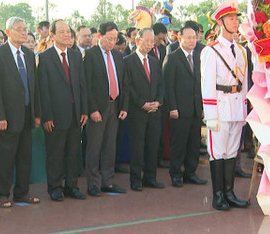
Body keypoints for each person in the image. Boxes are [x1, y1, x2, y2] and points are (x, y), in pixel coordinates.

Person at [0, 17, 41, 208]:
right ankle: (1, 194)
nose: (24, 32)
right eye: (20, 29)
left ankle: (22, 192)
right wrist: (0, 116)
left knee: (25, 157)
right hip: (6, 117)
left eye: (26, 29)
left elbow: (34, 87)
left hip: (26, 114)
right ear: (8, 32)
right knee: (4, 158)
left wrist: (36, 113)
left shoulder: (28, 53)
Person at [201, 0, 249, 210]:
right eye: (230, 18)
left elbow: (244, 83)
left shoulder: (241, 50)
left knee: (231, 151)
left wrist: (244, 110)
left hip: (236, 106)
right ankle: (218, 195)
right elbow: (208, 84)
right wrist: (210, 115)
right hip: (220, 107)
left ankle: (229, 193)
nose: (235, 22)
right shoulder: (211, 51)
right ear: (220, 22)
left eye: (236, 18)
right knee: (217, 152)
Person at [38, 20, 88, 201]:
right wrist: (47, 116)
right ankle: (55, 188)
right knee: (55, 154)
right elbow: (43, 90)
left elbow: (82, 85)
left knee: (73, 152)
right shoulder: (44, 57)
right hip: (55, 115)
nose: (67, 35)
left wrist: (84, 110)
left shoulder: (75, 56)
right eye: (63, 32)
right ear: (52, 35)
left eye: (69, 32)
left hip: (76, 114)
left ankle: (72, 186)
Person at [83, 22, 129, 195]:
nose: (111, 42)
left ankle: (108, 182)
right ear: (99, 36)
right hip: (98, 108)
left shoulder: (117, 56)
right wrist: (92, 109)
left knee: (110, 146)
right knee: (94, 147)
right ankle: (93, 184)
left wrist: (124, 106)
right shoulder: (90, 55)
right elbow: (86, 85)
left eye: (114, 39)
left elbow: (124, 82)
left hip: (115, 106)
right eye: (108, 38)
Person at [163, 23, 207, 187]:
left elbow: (202, 83)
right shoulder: (173, 58)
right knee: (178, 143)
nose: (191, 40)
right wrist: (172, 107)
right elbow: (168, 85)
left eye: (194, 37)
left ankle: (190, 172)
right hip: (179, 109)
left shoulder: (199, 57)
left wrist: (202, 106)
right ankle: (175, 174)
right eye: (188, 37)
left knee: (194, 143)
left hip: (195, 108)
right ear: (180, 38)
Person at [123, 28, 165, 191]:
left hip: (154, 111)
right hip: (137, 111)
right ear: (138, 40)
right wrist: (142, 104)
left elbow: (161, 85)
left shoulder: (154, 62)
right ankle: (136, 179)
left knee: (152, 145)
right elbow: (128, 87)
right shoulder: (128, 61)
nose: (150, 44)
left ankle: (150, 177)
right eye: (147, 41)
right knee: (137, 146)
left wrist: (158, 102)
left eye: (152, 41)